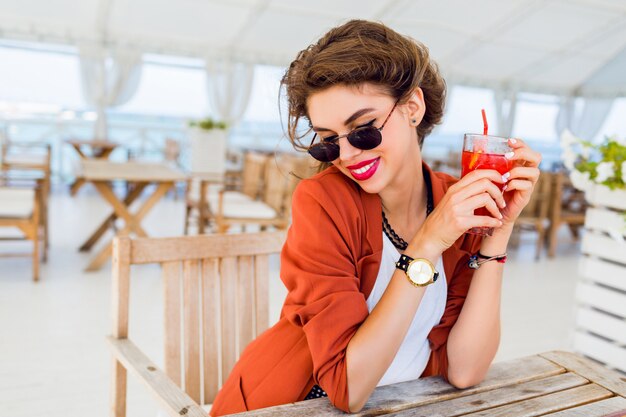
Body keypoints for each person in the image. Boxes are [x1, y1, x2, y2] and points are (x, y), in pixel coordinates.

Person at [210, 19, 541, 415]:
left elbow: (466, 370)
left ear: (413, 108)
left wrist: (499, 230)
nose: (347, 155)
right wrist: (427, 244)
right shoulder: (323, 202)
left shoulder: (457, 205)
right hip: (296, 402)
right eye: (329, 141)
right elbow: (347, 389)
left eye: (363, 129)